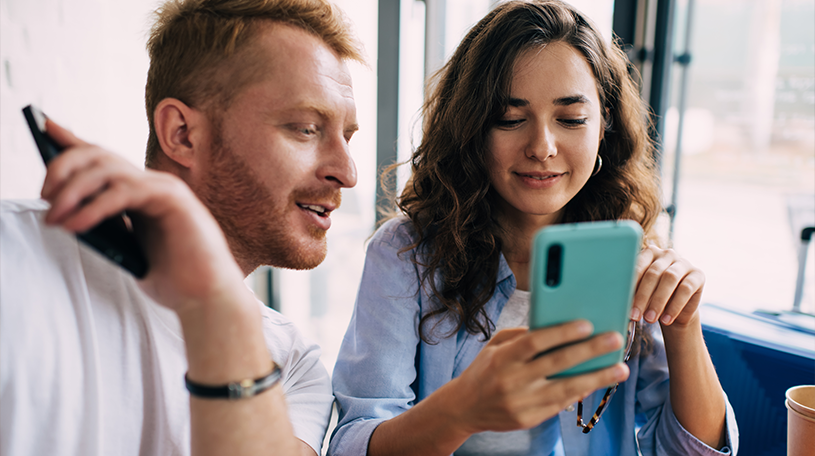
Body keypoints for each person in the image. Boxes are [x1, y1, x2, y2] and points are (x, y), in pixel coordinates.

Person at [329, 1, 738, 455]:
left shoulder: (625, 256)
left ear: (603, 126)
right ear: (472, 127)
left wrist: (685, 325)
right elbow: (353, 443)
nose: (542, 147)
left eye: (571, 119)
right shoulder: (407, 254)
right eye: (510, 119)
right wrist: (463, 409)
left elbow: (690, 450)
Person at [0, 0, 362, 455]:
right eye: (306, 129)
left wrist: (216, 305)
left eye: (347, 137)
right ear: (183, 135)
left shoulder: (292, 367)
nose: (347, 172)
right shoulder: (10, 257)